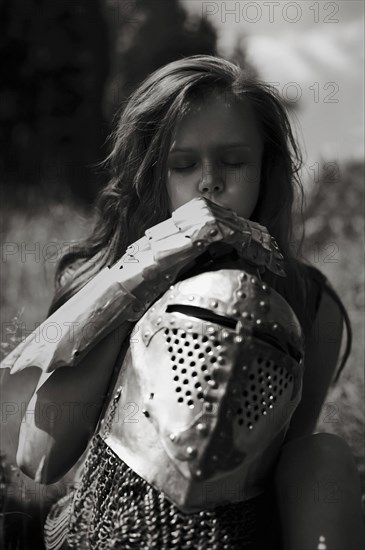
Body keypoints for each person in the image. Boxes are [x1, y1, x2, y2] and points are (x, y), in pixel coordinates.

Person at [5, 56, 363, 549]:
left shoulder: (308, 301)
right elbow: (38, 458)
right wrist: (141, 277)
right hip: (107, 519)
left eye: (235, 162)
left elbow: (284, 461)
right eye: (184, 164)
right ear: (155, 174)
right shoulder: (104, 275)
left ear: (266, 170)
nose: (209, 182)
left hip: (237, 525)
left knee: (323, 454)